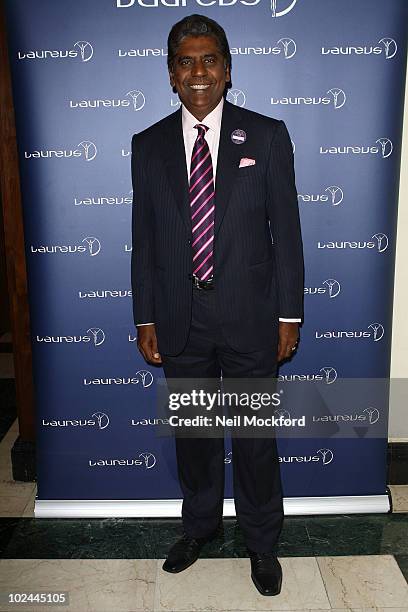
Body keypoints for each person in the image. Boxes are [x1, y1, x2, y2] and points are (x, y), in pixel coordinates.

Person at [131, 14, 304, 596]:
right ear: (172, 75)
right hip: (182, 318)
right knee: (196, 437)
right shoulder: (148, 144)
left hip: (252, 317)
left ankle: (261, 542)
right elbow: (146, 238)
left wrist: (289, 314)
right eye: (186, 61)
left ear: (227, 70)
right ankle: (199, 527)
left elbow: (288, 234)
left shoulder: (267, 135)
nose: (198, 71)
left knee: (255, 441)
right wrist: (146, 315)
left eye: (209, 60)